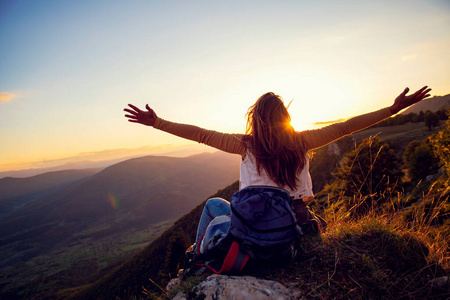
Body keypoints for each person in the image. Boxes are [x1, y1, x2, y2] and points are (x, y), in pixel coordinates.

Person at [124, 86, 431, 245]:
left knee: (212, 206)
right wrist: (392, 109)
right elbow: (346, 127)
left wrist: (158, 123)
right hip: (293, 225)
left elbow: (201, 134)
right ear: (286, 116)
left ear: (255, 120)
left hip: (252, 226)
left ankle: (196, 261)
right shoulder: (303, 141)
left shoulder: (245, 145)